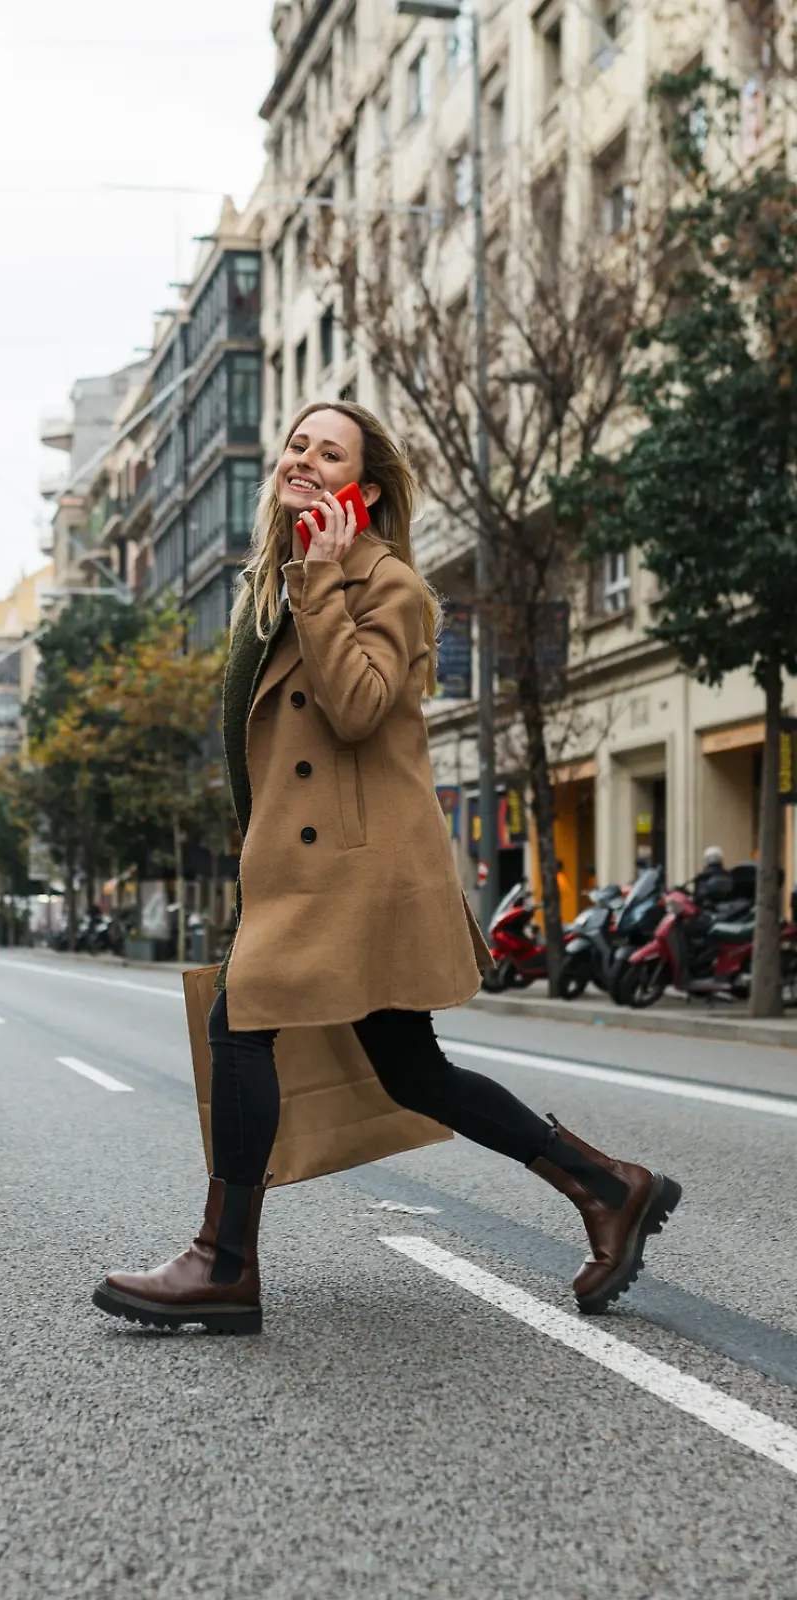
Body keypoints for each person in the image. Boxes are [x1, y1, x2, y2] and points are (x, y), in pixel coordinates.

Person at [93, 402, 682, 1335]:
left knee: (239, 1026)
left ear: (360, 491)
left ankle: (223, 1263)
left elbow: (358, 708)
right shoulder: (276, 582)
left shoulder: (384, 583)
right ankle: (609, 1185)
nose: (305, 460)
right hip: (304, 863)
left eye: (330, 454)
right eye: (296, 444)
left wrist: (325, 577)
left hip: (353, 871)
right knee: (413, 1070)